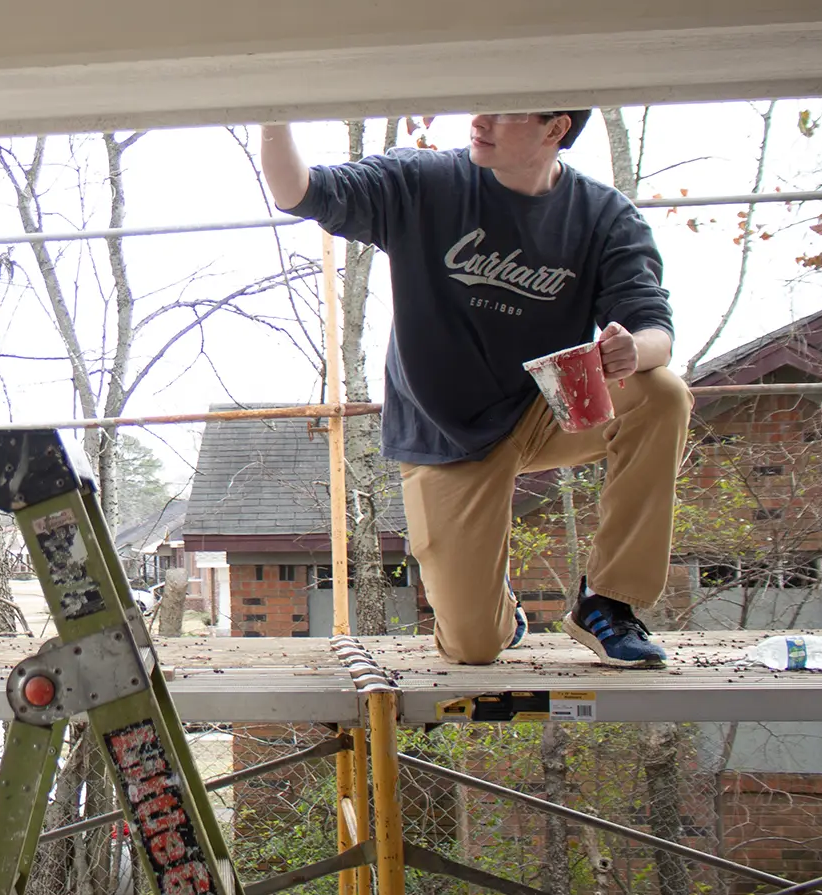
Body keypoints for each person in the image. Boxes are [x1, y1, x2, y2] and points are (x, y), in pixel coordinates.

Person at [261, 112, 692, 667]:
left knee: (662, 395)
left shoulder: (602, 215)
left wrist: (635, 348)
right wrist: (272, 113)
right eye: (480, 104)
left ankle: (609, 601)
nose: (480, 120)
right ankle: (496, 610)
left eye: (504, 111)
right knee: (473, 647)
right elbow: (296, 190)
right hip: (448, 432)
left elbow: (655, 327)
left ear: (554, 129)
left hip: (545, 408)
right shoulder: (424, 182)